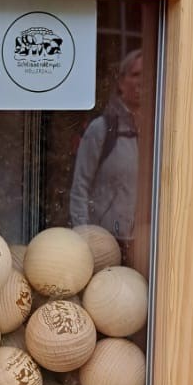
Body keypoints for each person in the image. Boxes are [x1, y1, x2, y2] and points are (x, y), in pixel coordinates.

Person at [69, 47, 142, 241]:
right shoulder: (102, 129)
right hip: (105, 242)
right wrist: (84, 238)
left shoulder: (160, 131)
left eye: (147, 75)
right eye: (136, 74)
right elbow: (80, 187)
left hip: (145, 242)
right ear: (121, 82)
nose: (142, 81)